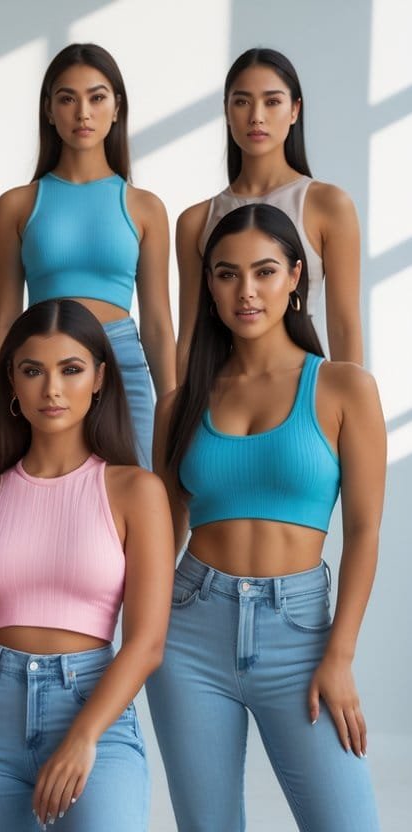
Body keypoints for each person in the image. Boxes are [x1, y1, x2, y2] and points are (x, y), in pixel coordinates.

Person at [148, 204, 383, 830]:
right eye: (226, 274)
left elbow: (364, 533)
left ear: (296, 277)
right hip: (189, 633)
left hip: (301, 635)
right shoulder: (179, 404)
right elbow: (159, 537)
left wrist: (339, 655)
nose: (246, 291)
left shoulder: (343, 388)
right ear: (209, 285)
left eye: (265, 271)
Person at [0, 299, 172, 831]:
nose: (52, 389)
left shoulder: (136, 492)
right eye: (32, 371)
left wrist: (84, 736)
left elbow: (146, 643)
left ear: (99, 379)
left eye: (70, 370)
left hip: (93, 708)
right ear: (12, 385)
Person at [0, 43, 174, 469]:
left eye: (96, 97)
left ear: (116, 108)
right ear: (49, 111)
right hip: (43, 366)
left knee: (137, 490)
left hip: (123, 362)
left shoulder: (144, 207)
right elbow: (5, 317)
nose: (83, 113)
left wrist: (172, 404)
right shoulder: (17, 206)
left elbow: (159, 322)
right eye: (67, 99)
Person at [175, 48, 362, 371]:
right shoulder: (196, 221)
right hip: (222, 387)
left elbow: (344, 325)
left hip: (301, 380)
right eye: (242, 101)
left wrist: (352, 405)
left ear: (295, 110)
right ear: (226, 109)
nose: (256, 116)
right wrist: (180, 409)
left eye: (272, 101)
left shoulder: (329, 206)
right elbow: (190, 333)